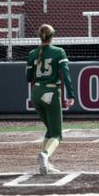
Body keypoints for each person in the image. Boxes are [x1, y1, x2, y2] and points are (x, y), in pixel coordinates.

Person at [26, 24, 76, 175]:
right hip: (51, 92)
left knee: (50, 130)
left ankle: (44, 164)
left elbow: (28, 78)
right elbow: (66, 75)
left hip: (36, 93)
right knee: (57, 134)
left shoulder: (33, 53)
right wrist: (71, 95)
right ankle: (45, 155)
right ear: (52, 36)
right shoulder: (59, 52)